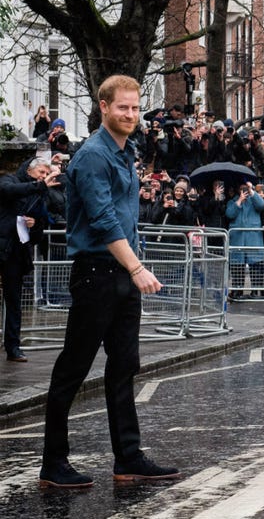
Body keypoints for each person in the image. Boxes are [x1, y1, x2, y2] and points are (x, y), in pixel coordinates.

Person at [40, 75, 181, 488]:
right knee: (73, 368)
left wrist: (132, 269)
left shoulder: (126, 151)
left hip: (122, 274)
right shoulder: (92, 156)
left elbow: (125, 218)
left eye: (135, 108)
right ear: (103, 107)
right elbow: (103, 221)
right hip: (97, 274)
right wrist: (137, 268)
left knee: (124, 366)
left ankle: (128, 458)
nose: (131, 114)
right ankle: (53, 463)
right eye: (123, 107)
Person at [0, 158, 62, 361]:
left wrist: (34, 225)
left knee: (14, 302)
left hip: (17, 253)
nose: (44, 177)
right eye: (41, 172)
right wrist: (39, 186)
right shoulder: (10, 180)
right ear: (29, 170)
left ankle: (13, 347)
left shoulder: (40, 195)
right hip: (2, 246)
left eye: (46, 174)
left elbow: (38, 233)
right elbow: (8, 191)